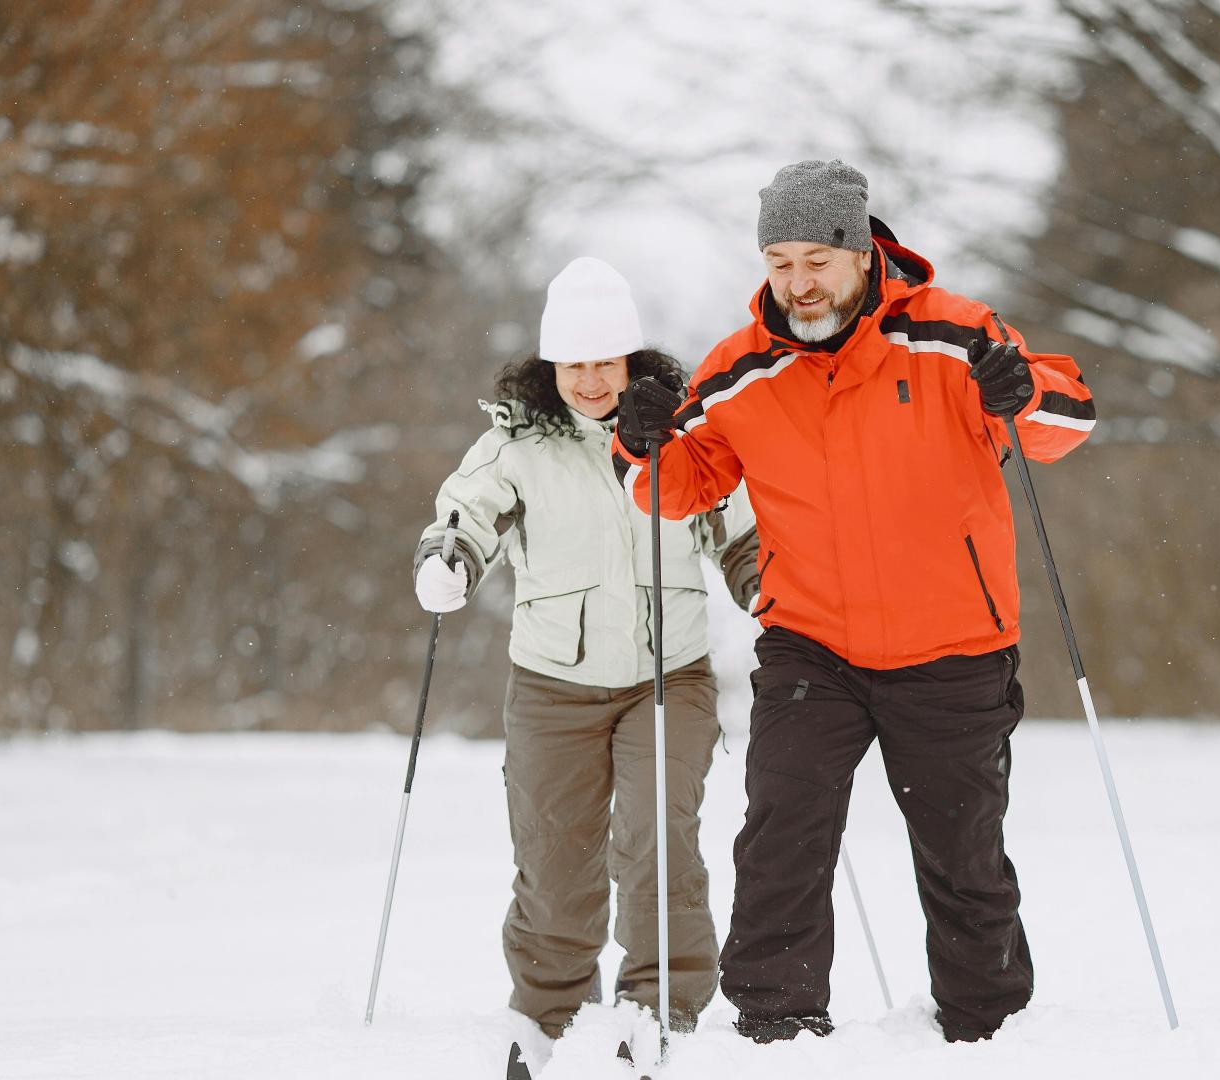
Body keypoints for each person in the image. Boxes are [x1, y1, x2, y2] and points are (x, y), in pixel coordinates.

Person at [610, 160, 1097, 1044]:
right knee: (781, 837)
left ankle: (989, 1033)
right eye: (779, 261)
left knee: (964, 859)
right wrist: (637, 436)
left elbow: (1067, 419)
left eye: (815, 261)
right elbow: (675, 487)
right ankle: (775, 1028)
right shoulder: (737, 372)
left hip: (953, 644)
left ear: (860, 251)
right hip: (812, 645)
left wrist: (1021, 391)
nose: (796, 283)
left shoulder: (954, 336)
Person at [413, 256, 760, 1038]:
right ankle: (547, 1015)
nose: (593, 380)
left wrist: (764, 585)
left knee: (656, 836)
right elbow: (467, 513)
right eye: (575, 363)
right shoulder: (517, 445)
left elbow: (739, 529)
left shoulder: (682, 436)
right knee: (555, 857)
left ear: (632, 359)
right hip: (551, 688)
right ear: (551, 366)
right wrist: (449, 562)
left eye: (606, 360)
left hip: (665, 679)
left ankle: (663, 1007)